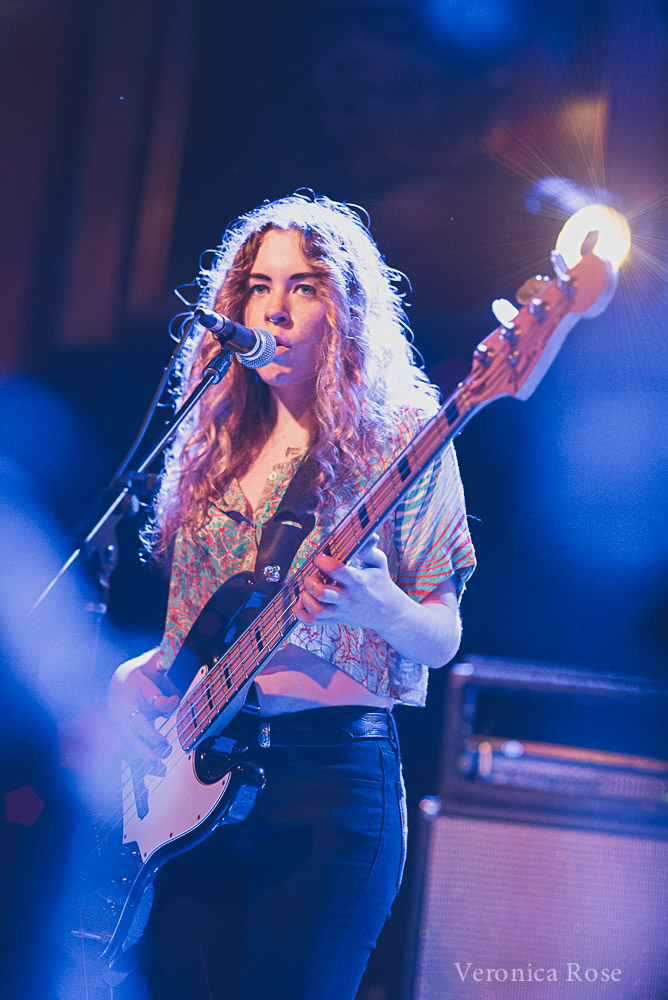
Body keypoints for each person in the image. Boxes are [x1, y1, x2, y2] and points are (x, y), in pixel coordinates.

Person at [108, 192, 475, 1000]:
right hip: (194, 783)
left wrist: (377, 606)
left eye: (305, 287)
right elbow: (201, 634)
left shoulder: (402, 436)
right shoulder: (212, 436)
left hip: (330, 786)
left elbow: (442, 635)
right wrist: (137, 675)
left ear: (344, 308)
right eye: (258, 286)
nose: (274, 310)